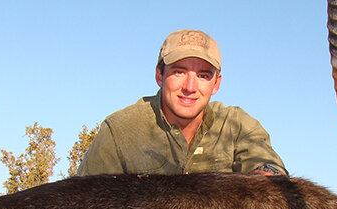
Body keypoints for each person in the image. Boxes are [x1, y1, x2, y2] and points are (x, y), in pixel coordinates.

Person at [78, 29, 286, 176]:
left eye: (204, 76)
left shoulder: (237, 125)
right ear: (160, 75)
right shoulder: (119, 131)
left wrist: (267, 180)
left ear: (216, 84)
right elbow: (82, 204)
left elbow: (269, 170)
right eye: (179, 72)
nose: (190, 86)